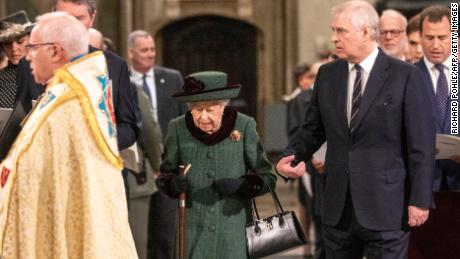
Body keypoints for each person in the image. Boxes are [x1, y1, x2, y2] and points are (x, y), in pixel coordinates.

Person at [276, 1, 435, 258]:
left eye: (341, 31)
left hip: (387, 207)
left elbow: (421, 146)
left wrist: (420, 199)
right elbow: (312, 129)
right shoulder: (328, 75)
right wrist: (292, 154)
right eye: (333, 30)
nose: (333, 38)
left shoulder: (404, 75)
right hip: (339, 208)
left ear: (365, 32)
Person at [0, 11, 137, 258]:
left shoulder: (69, 104)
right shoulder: (76, 92)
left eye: (32, 47)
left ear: (54, 51)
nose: (27, 55)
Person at [156, 71, 276, 259]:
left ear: (223, 106)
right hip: (192, 233)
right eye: (196, 109)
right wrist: (171, 183)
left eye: (210, 110)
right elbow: (164, 174)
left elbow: (268, 177)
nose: (203, 117)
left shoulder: (244, 126)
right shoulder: (178, 128)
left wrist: (242, 185)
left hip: (232, 233)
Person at [16, 0, 140, 151]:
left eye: (79, 19)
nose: (72, 26)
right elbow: (18, 123)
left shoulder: (115, 66)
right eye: (65, 19)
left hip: (99, 166)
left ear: (92, 18)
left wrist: (99, 142)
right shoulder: (29, 64)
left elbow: (129, 127)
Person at [127, 29, 187, 259]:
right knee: (140, 234)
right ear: (131, 53)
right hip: (136, 169)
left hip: (167, 168)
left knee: (166, 233)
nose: (151, 54)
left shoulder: (172, 78)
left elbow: (184, 120)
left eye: (152, 49)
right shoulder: (123, 81)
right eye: (144, 50)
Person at [415, 5, 460, 190]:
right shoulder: (405, 77)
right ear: (420, 37)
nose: (435, 45)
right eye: (429, 38)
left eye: (442, 38)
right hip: (421, 186)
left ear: (455, 38)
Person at [0, 11, 33, 160]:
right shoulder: (2, 78)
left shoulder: (46, 73)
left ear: (30, 39)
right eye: (7, 44)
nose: (14, 49)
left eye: (19, 41)